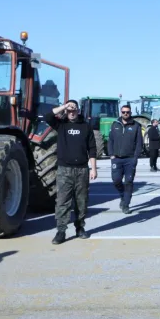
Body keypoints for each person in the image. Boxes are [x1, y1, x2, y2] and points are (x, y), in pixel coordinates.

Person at [46, 100, 98, 245]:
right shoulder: (61, 125)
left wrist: (93, 168)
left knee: (81, 202)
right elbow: (47, 116)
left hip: (82, 170)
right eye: (69, 110)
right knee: (62, 202)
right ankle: (61, 231)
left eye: (74, 109)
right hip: (64, 170)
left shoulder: (86, 127)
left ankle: (80, 228)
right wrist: (64, 106)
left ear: (78, 110)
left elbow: (92, 149)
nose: (71, 112)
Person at [108, 103, 143, 214]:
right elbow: (110, 141)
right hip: (117, 159)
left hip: (130, 159)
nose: (125, 114)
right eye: (123, 112)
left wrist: (135, 157)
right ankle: (123, 195)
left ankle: (126, 205)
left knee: (129, 182)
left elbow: (139, 143)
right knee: (116, 180)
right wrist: (111, 155)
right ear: (121, 112)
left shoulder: (136, 125)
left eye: (127, 112)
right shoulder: (115, 124)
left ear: (130, 113)